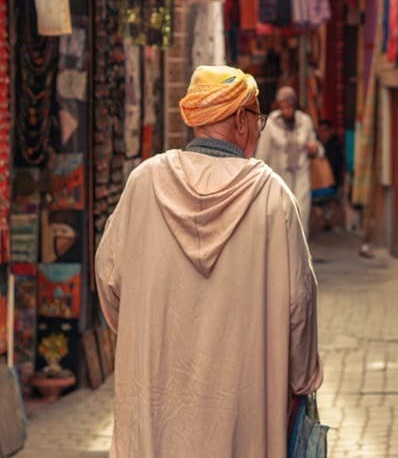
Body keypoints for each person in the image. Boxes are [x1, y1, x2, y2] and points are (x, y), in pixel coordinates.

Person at [94, 65, 322, 458]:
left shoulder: (145, 183)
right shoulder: (272, 197)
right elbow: (299, 305)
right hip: (243, 411)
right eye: (257, 118)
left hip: (156, 404)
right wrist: (301, 380)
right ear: (239, 120)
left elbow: (109, 278)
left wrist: (144, 334)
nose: (259, 129)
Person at [255, 86, 322, 237]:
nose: (286, 110)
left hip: (301, 178)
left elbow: (316, 148)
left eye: (289, 106)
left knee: (300, 217)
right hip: (278, 180)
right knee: (280, 221)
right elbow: (261, 155)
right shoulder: (270, 123)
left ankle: (300, 258)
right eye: (283, 106)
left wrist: (314, 149)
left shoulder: (305, 121)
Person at [317, 119, 344, 190]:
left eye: (324, 131)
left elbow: (332, 168)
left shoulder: (335, 146)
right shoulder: (318, 146)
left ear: (330, 131)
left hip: (331, 184)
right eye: (319, 131)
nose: (321, 134)